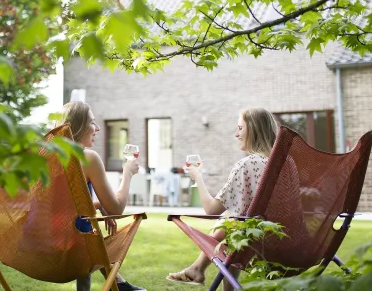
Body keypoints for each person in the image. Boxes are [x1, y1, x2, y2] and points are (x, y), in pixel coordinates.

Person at [166, 108, 278, 289]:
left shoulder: (247, 164)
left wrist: (198, 177)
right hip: (286, 241)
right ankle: (197, 269)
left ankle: (198, 269)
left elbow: (211, 209)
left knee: (232, 223)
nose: (236, 134)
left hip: (257, 244)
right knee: (234, 221)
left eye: (240, 128)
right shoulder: (285, 164)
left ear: (254, 129)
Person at [57, 101, 146, 291]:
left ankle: (120, 283)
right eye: (92, 122)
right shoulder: (87, 157)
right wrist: (127, 173)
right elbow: (116, 208)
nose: (97, 128)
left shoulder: (46, 158)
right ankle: (120, 284)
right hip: (71, 251)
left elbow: (65, 208)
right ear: (77, 127)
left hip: (38, 248)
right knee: (89, 239)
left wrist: (97, 206)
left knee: (86, 233)